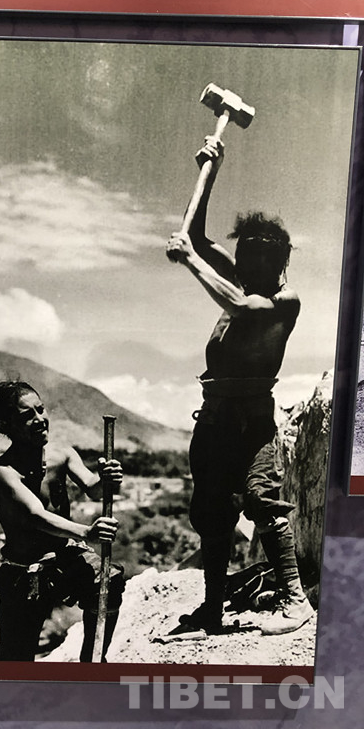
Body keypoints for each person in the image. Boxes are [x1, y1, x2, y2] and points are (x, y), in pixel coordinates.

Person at [165, 136, 314, 636]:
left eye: (260, 256)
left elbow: (238, 304)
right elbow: (198, 235)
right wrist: (211, 169)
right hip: (214, 418)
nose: (249, 262)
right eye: (245, 253)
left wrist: (190, 261)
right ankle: (212, 606)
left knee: (260, 498)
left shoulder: (281, 302)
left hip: (252, 422)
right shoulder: (243, 282)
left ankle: (295, 601)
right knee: (211, 511)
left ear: (280, 261)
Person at [0, 380, 125, 661]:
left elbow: (94, 489)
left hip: (66, 556)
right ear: (5, 424)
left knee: (107, 582)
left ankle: (93, 664)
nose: (39, 419)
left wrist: (107, 479)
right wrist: (86, 532)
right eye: (27, 415)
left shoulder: (63, 454)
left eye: (41, 409)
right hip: (24, 571)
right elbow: (35, 516)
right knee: (15, 656)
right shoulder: (5, 472)